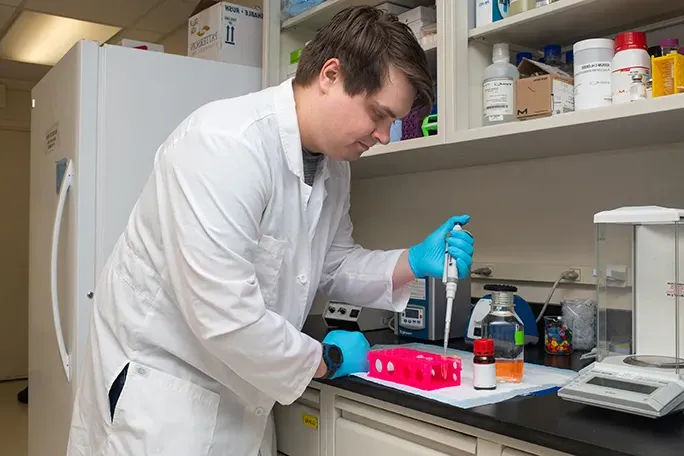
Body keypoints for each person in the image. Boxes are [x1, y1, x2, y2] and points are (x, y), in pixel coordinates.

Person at [66, 5, 474, 456]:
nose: (382, 134)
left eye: (391, 122)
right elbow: (223, 314)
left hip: (241, 395)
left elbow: (331, 264)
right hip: (164, 400)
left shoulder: (333, 169)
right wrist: (326, 359)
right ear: (330, 74)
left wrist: (411, 260)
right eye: (378, 114)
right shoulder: (224, 144)